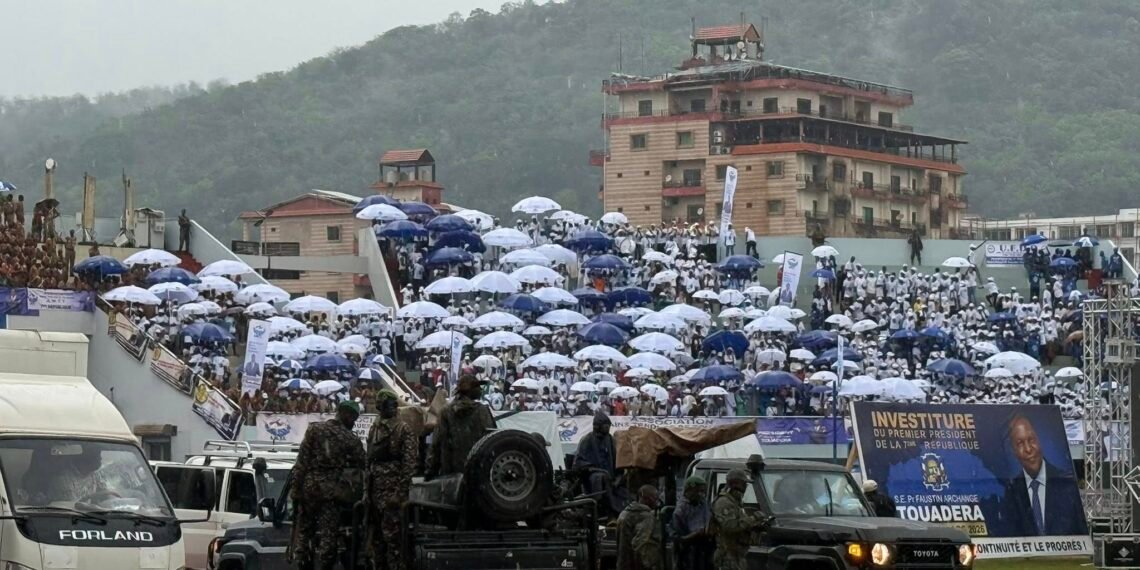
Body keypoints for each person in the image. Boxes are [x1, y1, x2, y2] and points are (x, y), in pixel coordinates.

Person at [290, 400, 366, 570]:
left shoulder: (314, 430)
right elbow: (363, 463)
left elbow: (301, 463)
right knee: (328, 538)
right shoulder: (350, 439)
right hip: (330, 494)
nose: (353, 423)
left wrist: (295, 490)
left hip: (308, 491)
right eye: (353, 419)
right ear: (346, 415)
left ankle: (302, 563)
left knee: (304, 534)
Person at [994, 414, 1087, 536]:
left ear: (1039, 440)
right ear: (1013, 451)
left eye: (1031, 440)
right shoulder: (1012, 491)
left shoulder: (1066, 483)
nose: (1028, 449)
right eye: (1020, 443)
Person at [366, 390, 417, 570]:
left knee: (394, 541)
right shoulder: (375, 428)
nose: (386, 409)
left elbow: (409, 464)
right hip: (375, 491)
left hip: (392, 492)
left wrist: (400, 493)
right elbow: (369, 459)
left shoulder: (403, 429)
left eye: (389, 405)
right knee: (377, 540)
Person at [427, 374, 496, 478]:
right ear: (470, 390)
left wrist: (430, 472)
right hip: (478, 472)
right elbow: (494, 440)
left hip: (452, 474)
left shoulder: (446, 411)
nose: (480, 389)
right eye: (477, 386)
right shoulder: (482, 411)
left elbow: (437, 445)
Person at [711, 468, 766, 570]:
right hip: (727, 556)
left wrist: (756, 526)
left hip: (737, 554)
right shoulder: (724, 502)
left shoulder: (735, 502)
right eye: (744, 484)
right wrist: (753, 519)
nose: (745, 487)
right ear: (735, 483)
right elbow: (730, 526)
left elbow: (740, 523)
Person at [573, 411, 623, 513]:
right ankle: (605, 509)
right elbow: (578, 462)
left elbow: (618, 461)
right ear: (598, 426)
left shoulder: (610, 439)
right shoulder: (587, 440)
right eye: (606, 426)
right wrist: (593, 468)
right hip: (592, 475)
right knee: (600, 477)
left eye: (609, 426)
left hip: (611, 476)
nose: (608, 428)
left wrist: (619, 476)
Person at [617, 484, 662, 570]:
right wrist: (647, 564)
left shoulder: (624, 513)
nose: (657, 501)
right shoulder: (646, 517)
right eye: (655, 497)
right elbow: (639, 545)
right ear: (648, 498)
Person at [672, 476, 713, 570]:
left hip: (704, 549)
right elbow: (678, 538)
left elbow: (708, 517)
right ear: (689, 490)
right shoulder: (680, 510)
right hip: (688, 552)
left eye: (703, 492)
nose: (701, 495)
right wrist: (695, 534)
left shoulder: (703, 504)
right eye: (699, 491)